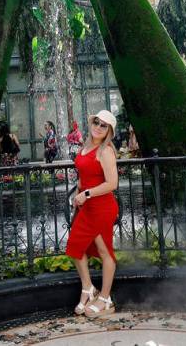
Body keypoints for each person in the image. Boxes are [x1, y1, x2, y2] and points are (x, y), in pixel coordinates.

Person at [66, 109, 119, 318]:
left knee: (105, 251)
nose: (98, 127)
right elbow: (84, 175)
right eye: (96, 122)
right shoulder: (86, 146)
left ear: (109, 131)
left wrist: (86, 193)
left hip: (102, 207)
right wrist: (78, 194)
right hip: (86, 206)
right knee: (74, 247)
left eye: (103, 125)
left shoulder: (105, 151)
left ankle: (105, 298)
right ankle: (88, 287)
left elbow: (112, 184)